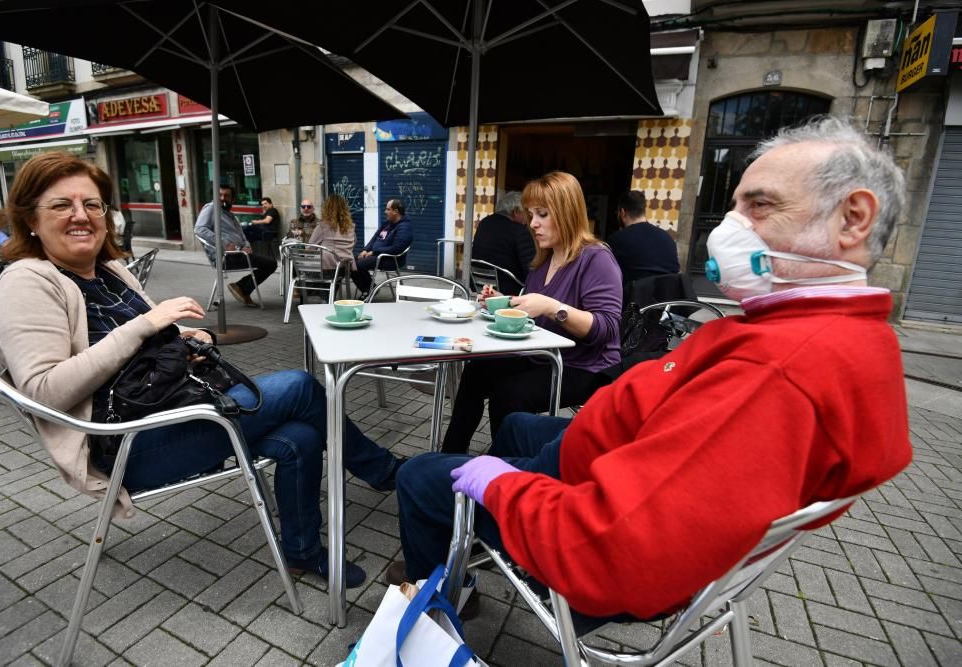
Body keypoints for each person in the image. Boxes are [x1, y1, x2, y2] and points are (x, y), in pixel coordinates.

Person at [389, 117, 913, 623]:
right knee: (514, 424)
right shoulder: (829, 334)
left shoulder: (782, 370)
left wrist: (505, 489)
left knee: (420, 475)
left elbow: (613, 548)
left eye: (760, 206)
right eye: (734, 207)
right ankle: (473, 541)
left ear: (853, 219)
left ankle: (450, 581)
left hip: (584, 492)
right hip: (600, 451)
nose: (730, 229)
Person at [0, 152, 404, 588]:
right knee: (300, 386)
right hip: (126, 446)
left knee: (302, 436)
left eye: (92, 205)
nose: (81, 216)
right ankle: (385, 472)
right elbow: (44, 393)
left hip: (176, 408)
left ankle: (303, 553)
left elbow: (147, 340)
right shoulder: (27, 282)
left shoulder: (107, 271)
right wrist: (144, 326)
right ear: (29, 218)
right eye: (61, 205)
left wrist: (183, 338)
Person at [440, 172, 621, 454]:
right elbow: (532, 309)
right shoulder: (542, 260)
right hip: (543, 356)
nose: (532, 223)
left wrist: (551, 307)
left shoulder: (596, 258)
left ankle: (504, 477)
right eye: (530, 214)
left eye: (543, 214)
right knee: (476, 370)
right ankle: (447, 459)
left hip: (584, 367)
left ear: (567, 213)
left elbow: (607, 328)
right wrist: (504, 302)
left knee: (508, 394)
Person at [194, 184, 277, 307]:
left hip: (238, 253)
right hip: (226, 256)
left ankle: (242, 287)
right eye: (220, 195)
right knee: (271, 263)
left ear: (232, 200)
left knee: (269, 263)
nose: (222, 198)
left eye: (226, 196)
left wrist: (247, 245)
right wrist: (225, 243)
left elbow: (242, 235)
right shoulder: (211, 208)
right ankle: (243, 288)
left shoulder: (230, 215)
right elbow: (199, 229)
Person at [606, 190, 679, 285]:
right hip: (669, 298)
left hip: (633, 298)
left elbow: (605, 275)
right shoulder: (668, 239)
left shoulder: (616, 240)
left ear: (623, 212)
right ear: (644, 212)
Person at [471, 190, 535, 295]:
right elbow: (530, 270)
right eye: (526, 212)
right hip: (509, 290)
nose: (528, 218)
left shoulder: (485, 223)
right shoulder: (519, 231)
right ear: (516, 211)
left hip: (480, 285)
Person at [350, 198, 413, 295]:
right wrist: (365, 249)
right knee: (350, 261)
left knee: (357, 265)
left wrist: (375, 252)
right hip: (377, 255)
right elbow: (375, 238)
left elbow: (396, 249)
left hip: (390, 259)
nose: (385, 212)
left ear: (396, 211)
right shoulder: (387, 224)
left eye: (388, 209)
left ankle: (369, 290)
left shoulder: (404, 227)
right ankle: (370, 288)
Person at [308, 194, 357, 272]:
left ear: (326, 209)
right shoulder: (351, 227)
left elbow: (310, 249)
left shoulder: (322, 227)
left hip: (327, 269)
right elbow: (353, 244)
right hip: (344, 269)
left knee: (297, 265)